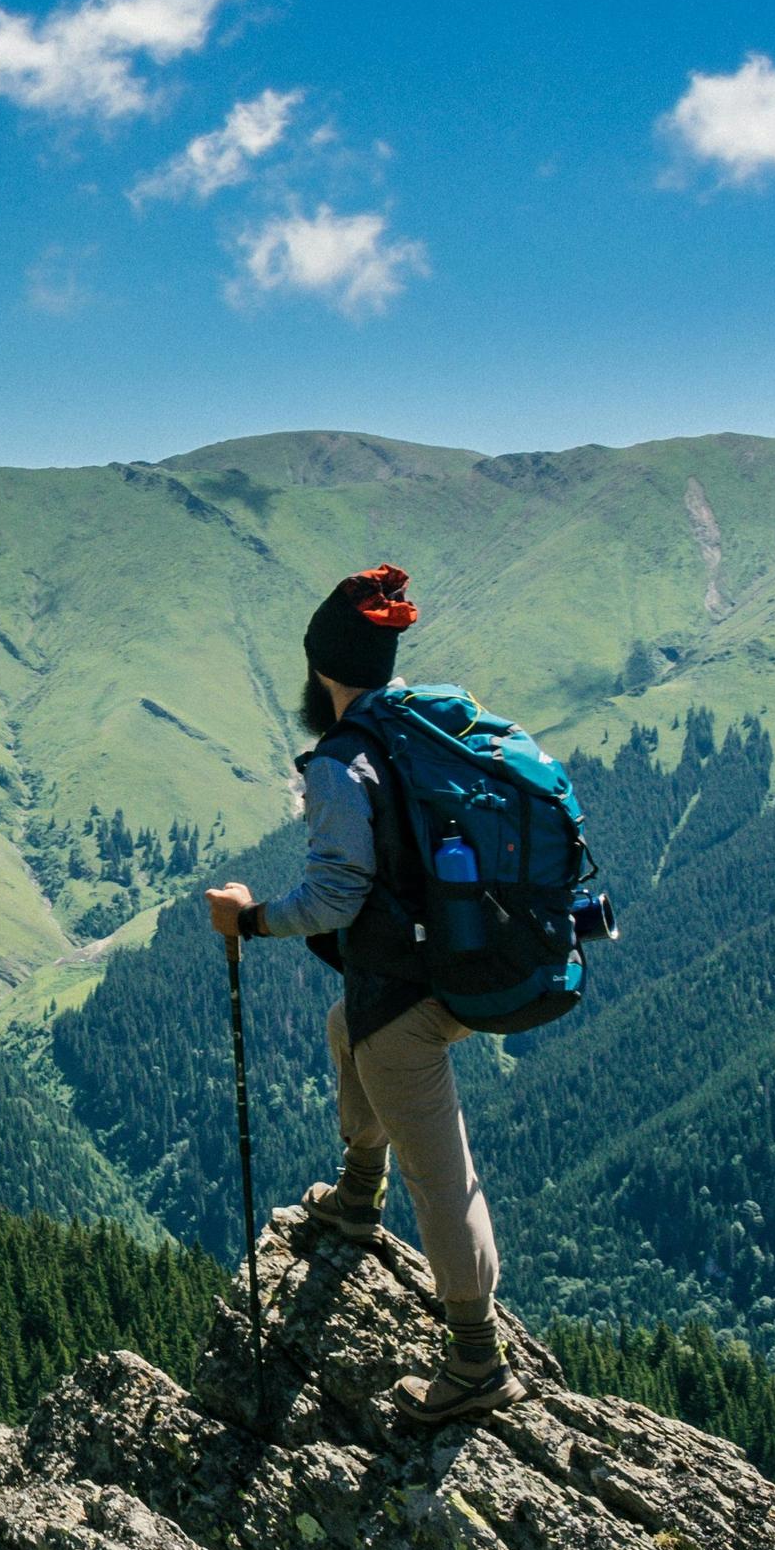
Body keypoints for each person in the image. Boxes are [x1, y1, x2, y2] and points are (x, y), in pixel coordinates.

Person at [204, 564, 517, 1422]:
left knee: (440, 1170)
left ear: (321, 672)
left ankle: (475, 1361)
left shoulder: (346, 762)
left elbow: (336, 897)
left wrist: (250, 919)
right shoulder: (423, 719)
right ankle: (355, 1196)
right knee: (351, 1026)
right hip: (469, 954)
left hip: (415, 990)